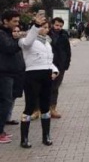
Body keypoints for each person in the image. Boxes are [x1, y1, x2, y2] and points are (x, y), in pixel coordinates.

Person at [18, 14, 59, 148]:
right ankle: (24, 138)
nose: (46, 29)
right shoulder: (25, 40)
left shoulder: (47, 42)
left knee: (45, 106)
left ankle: (46, 136)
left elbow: (48, 59)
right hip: (32, 75)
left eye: (47, 27)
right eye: (43, 27)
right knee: (30, 106)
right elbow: (28, 42)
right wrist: (35, 27)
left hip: (46, 74)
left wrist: (54, 70)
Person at [0, 10, 26, 144]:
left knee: (8, 101)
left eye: (18, 21)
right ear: (5, 21)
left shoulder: (9, 34)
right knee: (5, 102)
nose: (17, 24)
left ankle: (2, 130)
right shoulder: (2, 34)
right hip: (4, 73)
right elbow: (9, 48)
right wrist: (20, 41)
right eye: (14, 21)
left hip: (12, 72)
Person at [49, 17, 71, 119]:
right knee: (42, 87)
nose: (58, 27)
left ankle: (53, 108)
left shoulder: (64, 35)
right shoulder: (47, 34)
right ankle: (38, 109)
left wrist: (66, 64)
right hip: (47, 64)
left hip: (60, 66)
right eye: (57, 25)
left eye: (60, 26)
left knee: (55, 88)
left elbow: (68, 51)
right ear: (52, 24)